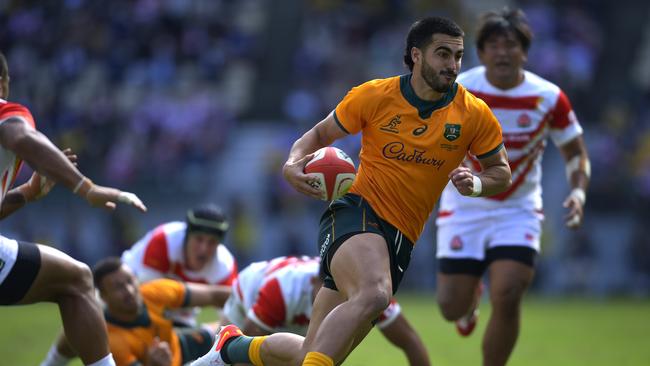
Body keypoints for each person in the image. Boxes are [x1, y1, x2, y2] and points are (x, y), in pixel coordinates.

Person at [191, 16, 512, 366]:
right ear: (416, 55)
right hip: (356, 213)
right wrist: (291, 163)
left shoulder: (474, 114)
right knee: (375, 295)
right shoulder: (375, 95)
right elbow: (318, 135)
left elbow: (501, 171)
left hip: (401, 239)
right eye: (443, 54)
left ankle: (229, 349)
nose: (452, 65)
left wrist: (478, 183)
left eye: (458, 56)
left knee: (307, 354)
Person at [434, 8, 591, 366]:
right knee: (448, 307)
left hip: (517, 209)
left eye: (511, 45)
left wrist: (578, 192)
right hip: (465, 205)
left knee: (508, 293)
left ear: (525, 51)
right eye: (493, 45)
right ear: (480, 51)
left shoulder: (549, 97)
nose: (502, 52)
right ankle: (468, 300)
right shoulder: (460, 91)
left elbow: (576, 153)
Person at [0, 51, 147, 366]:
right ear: (3, 85)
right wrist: (87, 187)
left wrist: (26, 192)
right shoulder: (8, 112)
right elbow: (19, 136)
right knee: (76, 279)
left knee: (74, 276)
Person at [221, 256, 430, 366]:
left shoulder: (368, 296)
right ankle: (204, 342)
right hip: (249, 294)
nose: (341, 300)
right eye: (333, 291)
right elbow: (244, 360)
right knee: (226, 354)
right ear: (316, 282)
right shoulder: (282, 291)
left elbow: (410, 341)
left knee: (318, 356)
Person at [42, 258, 232, 366]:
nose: (130, 290)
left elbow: (215, 295)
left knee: (233, 334)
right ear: (104, 296)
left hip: (181, 344)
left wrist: (248, 296)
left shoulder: (154, 292)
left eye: (130, 281)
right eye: (118, 287)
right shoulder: (110, 341)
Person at [121, 203, 238, 327]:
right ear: (187, 236)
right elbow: (147, 293)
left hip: (183, 315)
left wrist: (204, 330)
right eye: (199, 239)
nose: (204, 249)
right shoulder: (164, 242)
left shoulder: (225, 267)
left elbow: (229, 318)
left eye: (212, 242)